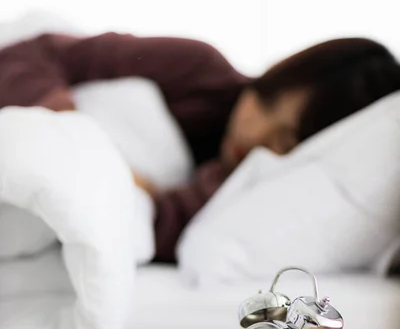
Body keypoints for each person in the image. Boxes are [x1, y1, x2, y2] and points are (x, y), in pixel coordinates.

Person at [1, 33, 400, 260]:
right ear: (270, 78)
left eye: (286, 143)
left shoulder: (243, 189)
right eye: (267, 109)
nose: (259, 142)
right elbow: (39, 52)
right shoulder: (201, 71)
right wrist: (68, 129)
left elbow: (161, 227)